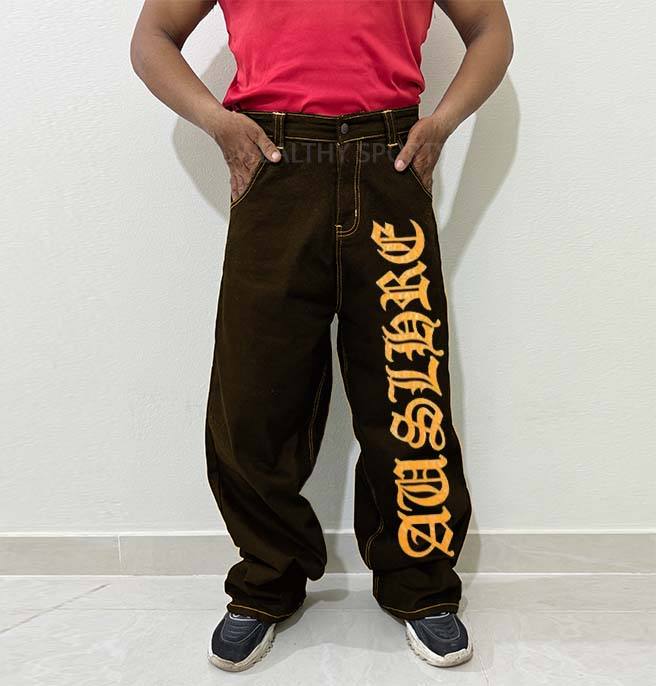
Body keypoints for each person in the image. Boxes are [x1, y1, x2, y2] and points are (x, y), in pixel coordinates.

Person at [131, 0, 513, 672]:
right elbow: (152, 38)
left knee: (407, 389)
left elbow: (490, 29)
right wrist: (219, 122)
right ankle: (266, 581)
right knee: (255, 395)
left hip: (391, 163)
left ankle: (421, 585)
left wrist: (441, 124)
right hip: (275, 167)